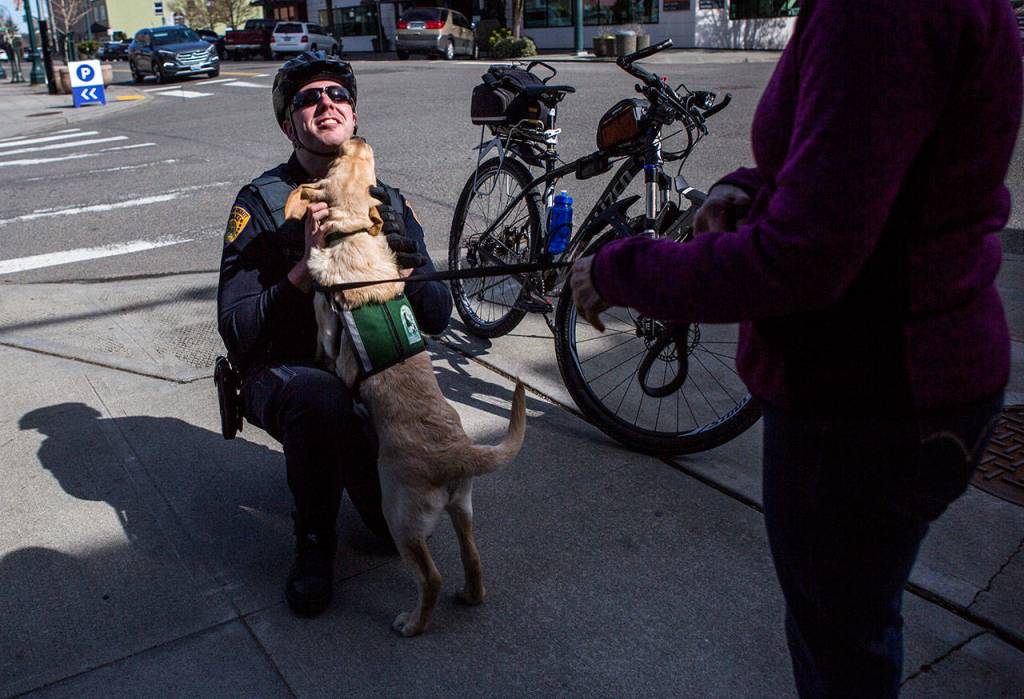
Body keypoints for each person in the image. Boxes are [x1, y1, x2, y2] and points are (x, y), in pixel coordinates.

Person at [570, 1, 1022, 695]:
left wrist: (619, 269)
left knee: (842, 654)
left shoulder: (879, 16)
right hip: (909, 378)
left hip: (864, 400)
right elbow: (874, 171)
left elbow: (804, 258)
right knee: (857, 626)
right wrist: (746, 186)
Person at [217, 51, 453, 618]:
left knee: (383, 532)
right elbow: (236, 328)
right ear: (288, 125)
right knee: (319, 400)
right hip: (287, 370)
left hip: (367, 375)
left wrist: (413, 258)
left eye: (338, 95)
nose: (326, 103)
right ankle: (314, 542)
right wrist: (302, 269)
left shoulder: (386, 197)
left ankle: (350, 459)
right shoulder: (264, 203)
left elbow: (437, 316)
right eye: (308, 98)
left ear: (352, 114)